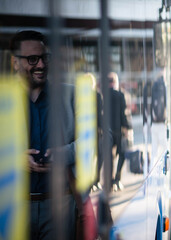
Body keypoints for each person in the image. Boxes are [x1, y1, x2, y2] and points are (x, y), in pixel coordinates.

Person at [10, 30, 77, 239]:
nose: (41, 65)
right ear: (15, 63)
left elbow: (99, 138)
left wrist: (65, 153)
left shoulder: (70, 95)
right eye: (32, 59)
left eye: (44, 58)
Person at [108, 72, 130, 191]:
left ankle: (110, 180)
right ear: (115, 82)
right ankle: (117, 178)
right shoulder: (120, 95)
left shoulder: (103, 95)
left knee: (109, 157)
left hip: (107, 131)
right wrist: (126, 128)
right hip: (118, 130)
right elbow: (123, 113)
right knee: (121, 154)